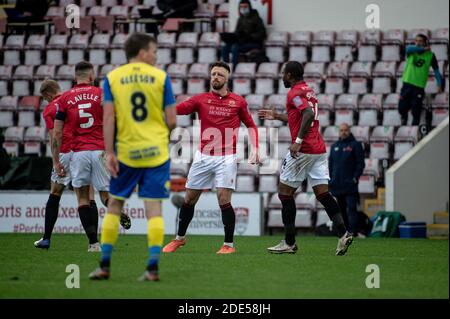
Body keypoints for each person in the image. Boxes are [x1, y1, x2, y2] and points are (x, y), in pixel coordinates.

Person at [89, 33, 177, 282]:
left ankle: (104, 265)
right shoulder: (160, 77)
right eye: (154, 51)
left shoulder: (113, 78)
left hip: (126, 153)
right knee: (154, 210)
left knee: (115, 205)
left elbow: (108, 118)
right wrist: (162, 135)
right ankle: (152, 268)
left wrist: (110, 152)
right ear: (142, 53)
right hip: (156, 154)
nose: (156, 55)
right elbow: (172, 120)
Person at [162, 61, 260, 255]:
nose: (215, 77)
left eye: (220, 75)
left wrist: (255, 148)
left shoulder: (238, 101)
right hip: (203, 156)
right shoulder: (200, 99)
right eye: (213, 74)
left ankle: (228, 245)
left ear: (227, 78)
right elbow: (178, 109)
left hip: (227, 156)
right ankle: (179, 239)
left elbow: (250, 125)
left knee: (223, 198)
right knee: (189, 198)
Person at [258, 61, 353, 256]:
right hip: (318, 149)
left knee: (284, 193)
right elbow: (301, 115)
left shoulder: (294, 92)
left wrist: (298, 141)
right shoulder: (308, 91)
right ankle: (343, 233)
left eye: (284, 73)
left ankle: (289, 242)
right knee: (323, 194)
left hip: (304, 150)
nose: (282, 76)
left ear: (290, 75)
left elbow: (308, 114)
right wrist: (278, 116)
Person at [52, 62, 126, 252]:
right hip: (100, 150)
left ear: (75, 78)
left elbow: (57, 134)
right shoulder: (102, 93)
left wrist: (56, 160)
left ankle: (93, 243)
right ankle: (116, 210)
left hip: (78, 153)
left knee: (83, 198)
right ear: (92, 77)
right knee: (104, 195)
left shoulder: (64, 99)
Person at [34, 79, 101, 250]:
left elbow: (55, 135)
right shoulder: (73, 101)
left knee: (55, 193)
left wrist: (56, 161)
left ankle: (46, 238)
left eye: (45, 98)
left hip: (64, 152)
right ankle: (93, 241)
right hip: (81, 152)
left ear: (48, 94)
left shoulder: (51, 108)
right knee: (87, 197)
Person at [398, 33, 445, 126]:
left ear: (425, 43)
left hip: (418, 87)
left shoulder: (430, 55)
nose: (417, 43)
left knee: (416, 110)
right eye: (416, 41)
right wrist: (423, 49)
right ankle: (404, 117)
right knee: (401, 108)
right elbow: (408, 48)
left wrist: (439, 84)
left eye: (420, 41)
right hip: (407, 84)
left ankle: (414, 130)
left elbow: (436, 71)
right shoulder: (411, 51)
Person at [328, 123, 365, 237]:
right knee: (341, 210)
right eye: (341, 130)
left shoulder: (356, 145)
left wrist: (355, 178)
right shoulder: (334, 146)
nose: (343, 132)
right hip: (337, 185)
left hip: (350, 185)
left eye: (345, 130)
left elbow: (360, 164)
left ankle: (354, 232)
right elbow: (330, 165)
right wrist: (330, 180)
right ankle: (344, 232)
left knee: (352, 209)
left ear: (349, 131)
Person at [221, 0, 267, 66]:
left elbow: (263, 33)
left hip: (254, 43)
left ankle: (234, 68)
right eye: (241, 7)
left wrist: (250, 36)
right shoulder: (240, 19)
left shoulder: (257, 18)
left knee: (235, 47)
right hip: (242, 42)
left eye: (245, 7)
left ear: (249, 7)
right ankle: (225, 68)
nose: (243, 9)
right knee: (225, 48)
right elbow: (236, 32)